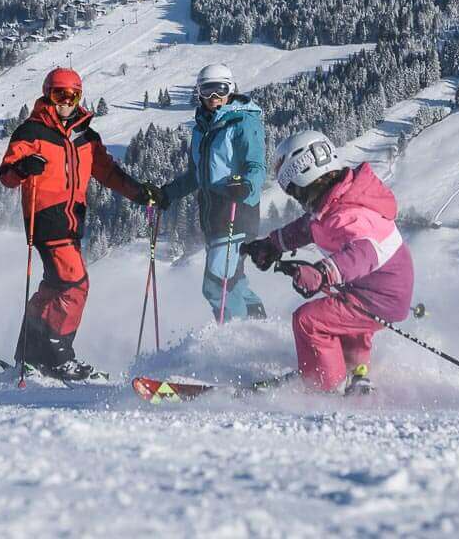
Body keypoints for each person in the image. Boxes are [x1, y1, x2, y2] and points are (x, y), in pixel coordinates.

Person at [1, 66, 161, 382]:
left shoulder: (86, 137)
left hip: (73, 223)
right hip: (45, 219)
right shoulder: (31, 132)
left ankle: (29, 355)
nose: (66, 102)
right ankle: (59, 357)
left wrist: (140, 194)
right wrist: (23, 168)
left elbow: (108, 173)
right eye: (60, 94)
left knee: (54, 288)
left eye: (73, 95)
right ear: (48, 94)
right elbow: (7, 175)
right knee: (75, 284)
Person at [240, 130, 412, 395]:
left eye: (294, 190)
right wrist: (272, 245)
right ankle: (355, 371)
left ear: (304, 175)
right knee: (338, 315)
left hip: (379, 296)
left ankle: (325, 387)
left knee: (309, 320)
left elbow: (364, 251)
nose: (296, 197)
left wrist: (323, 272)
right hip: (375, 288)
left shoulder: (348, 212)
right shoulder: (338, 200)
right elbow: (308, 228)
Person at [158, 63, 268, 321]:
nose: (213, 97)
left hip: (236, 212)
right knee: (235, 281)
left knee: (216, 285)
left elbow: (257, 165)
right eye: (206, 91)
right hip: (213, 217)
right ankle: (260, 329)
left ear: (230, 88)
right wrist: (167, 194)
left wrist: (246, 186)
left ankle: (236, 342)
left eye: (219, 89)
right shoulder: (202, 130)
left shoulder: (243, 122)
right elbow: (197, 175)